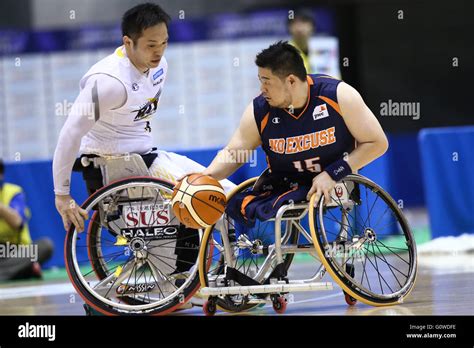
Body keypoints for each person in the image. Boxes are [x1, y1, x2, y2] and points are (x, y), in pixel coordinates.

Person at [52, 3, 234, 232]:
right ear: (128, 42)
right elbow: (70, 133)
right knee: (204, 196)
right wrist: (62, 195)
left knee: (226, 189)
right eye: (150, 45)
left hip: (148, 156)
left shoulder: (159, 66)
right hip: (114, 165)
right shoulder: (108, 82)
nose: (159, 51)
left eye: (164, 43)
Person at [200, 41, 388, 225]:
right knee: (230, 204)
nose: (261, 89)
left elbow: (377, 143)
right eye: (260, 81)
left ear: (290, 80)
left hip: (335, 180)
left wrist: (332, 173)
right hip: (282, 185)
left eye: (267, 82)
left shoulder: (338, 96)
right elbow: (234, 153)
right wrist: (205, 177)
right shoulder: (259, 110)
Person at [0, 159, 53, 281]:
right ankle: (23, 270)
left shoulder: (14, 192)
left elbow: (17, 222)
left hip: (16, 250)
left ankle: (12, 271)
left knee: (45, 246)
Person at [288, 9, 316, 74]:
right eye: (294, 22)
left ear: (312, 26)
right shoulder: (283, 53)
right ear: (289, 27)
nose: (299, 27)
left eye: (304, 21)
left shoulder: (326, 48)